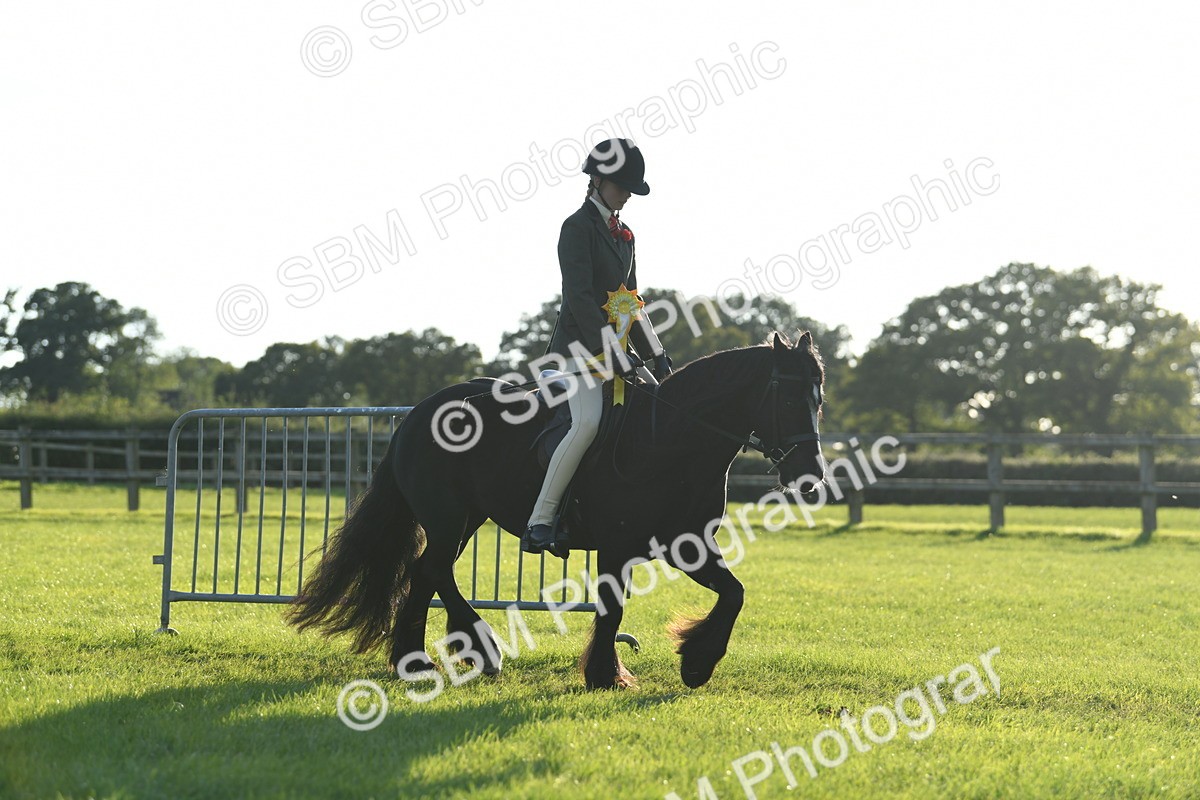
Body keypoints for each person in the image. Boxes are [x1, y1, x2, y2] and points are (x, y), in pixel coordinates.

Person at [521, 138, 672, 558]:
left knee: (653, 411)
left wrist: (656, 353)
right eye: (622, 186)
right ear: (598, 179)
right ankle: (541, 520)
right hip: (577, 352)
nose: (626, 195)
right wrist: (611, 352)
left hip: (618, 353)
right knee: (587, 423)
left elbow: (630, 300)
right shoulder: (576, 227)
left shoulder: (625, 235)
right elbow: (581, 301)